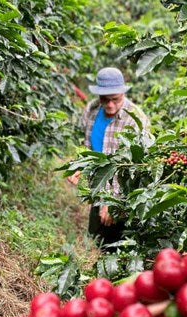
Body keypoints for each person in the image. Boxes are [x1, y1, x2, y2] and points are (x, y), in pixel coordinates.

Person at [69, 67, 151, 246]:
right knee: (95, 241)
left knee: (118, 245)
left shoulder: (134, 119)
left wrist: (112, 202)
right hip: (98, 189)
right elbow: (87, 145)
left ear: (123, 92)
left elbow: (133, 167)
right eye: (105, 100)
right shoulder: (92, 109)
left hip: (122, 196)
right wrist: (78, 165)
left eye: (115, 99)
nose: (110, 105)